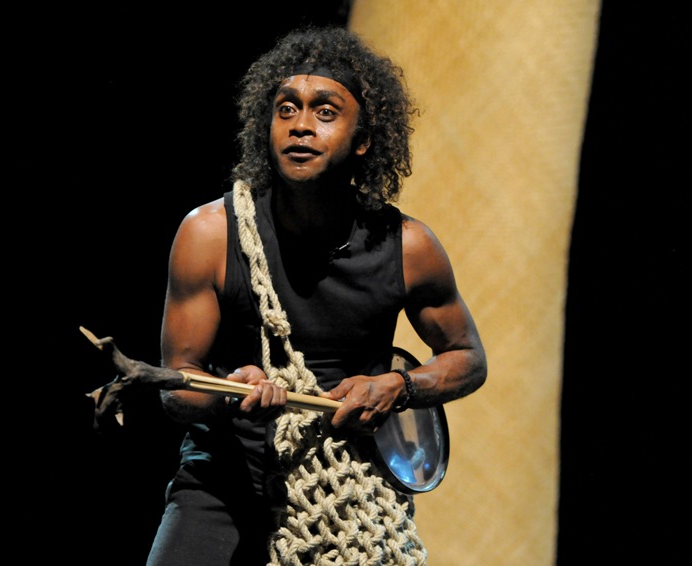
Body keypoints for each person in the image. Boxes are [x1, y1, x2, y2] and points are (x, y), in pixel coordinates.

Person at [91, 24, 487, 566]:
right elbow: (178, 390)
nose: (301, 125)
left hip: (344, 492)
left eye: (325, 111)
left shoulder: (408, 246)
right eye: (286, 109)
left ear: (363, 140)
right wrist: (228, 392)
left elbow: (467, 358)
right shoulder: (211, 234)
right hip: (222, 482)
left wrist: (398, 386)